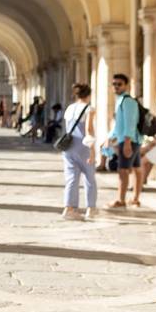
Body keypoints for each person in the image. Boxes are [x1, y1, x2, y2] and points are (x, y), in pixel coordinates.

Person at [60, 84, 97, 220]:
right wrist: (92, 149)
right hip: (83, 147)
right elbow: (89, 130)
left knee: (71, 179)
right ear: (88, 95)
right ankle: (90, 208)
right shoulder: (89, 109)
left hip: (69, 147)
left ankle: (69, 208)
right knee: (89, 178)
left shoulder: (70, 108)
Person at [108, 73, 143, 208]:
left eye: (119, 84)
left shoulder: (127, 101)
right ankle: (135, 198)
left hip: (129, 141)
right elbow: (119, 124)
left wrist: (127, 142)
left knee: (123, 171)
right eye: (114, 84)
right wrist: (110, 138)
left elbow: (130, 123)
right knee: (137, 169)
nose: (116, 86)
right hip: (129, 140)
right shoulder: (120, 100)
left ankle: (121, 200)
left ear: (126, 85)